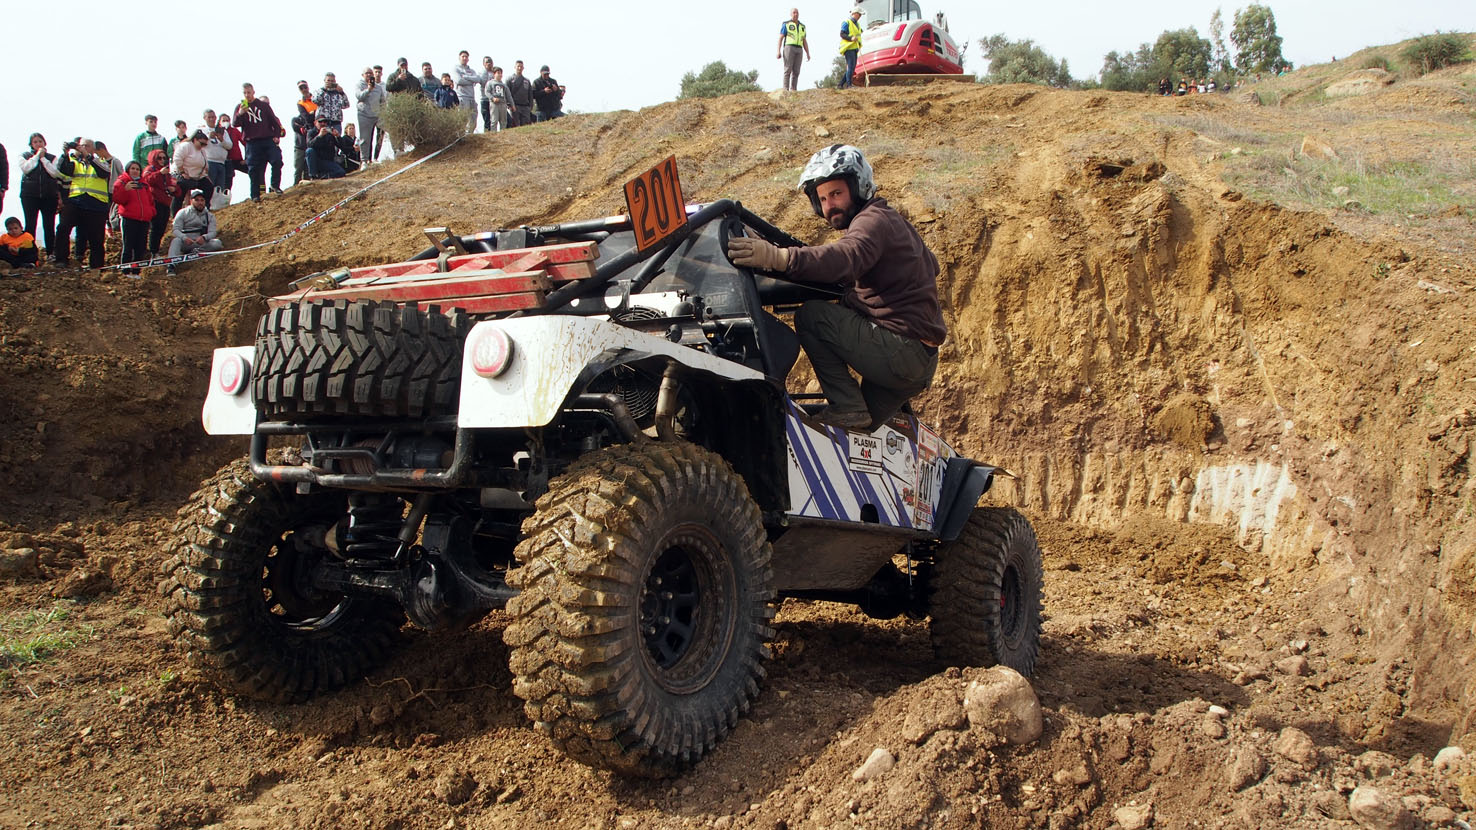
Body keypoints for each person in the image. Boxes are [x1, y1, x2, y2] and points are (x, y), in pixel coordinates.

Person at [725, 144, 945, 430]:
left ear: (858, 187)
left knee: (812, 317)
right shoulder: (890, 220)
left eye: (837, 194)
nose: (830, 205)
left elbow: (845, 257)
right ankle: (851, 413)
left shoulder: (872, 221)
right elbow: (931, 265)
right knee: (855, 432)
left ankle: (846, 405)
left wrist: (777, 257)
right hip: (920, 363)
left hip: (901, 351)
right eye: (823, 199)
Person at [54, 138, 111, 270]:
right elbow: (63, 170)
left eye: (87, 146)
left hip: (96, 203)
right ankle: (61, 259)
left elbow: (104, 173)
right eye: (81, 146)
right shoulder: (74, 161)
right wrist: (65, 153)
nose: (82, 148)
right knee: (63, 227)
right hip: (76, 200)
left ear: (93, 149)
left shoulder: (101, 161)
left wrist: (88, 156)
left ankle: (96, 265)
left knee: (96, 237)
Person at [235, 82, 285, 202]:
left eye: (249, 92)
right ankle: (255, 195)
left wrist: (276, 136)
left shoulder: (263, 105)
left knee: (277, 160)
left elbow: (275, 122)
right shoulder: (240, 107)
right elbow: (235, 123)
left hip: (267, 139)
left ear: (253, 92)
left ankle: (275, 185)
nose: (247, 95)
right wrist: (240, 113)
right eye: (245, 93)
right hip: (252, 142)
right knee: (253, 169)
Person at [18, 133, 64, 260]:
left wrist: (43, 159)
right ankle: (30, 254)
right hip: (29, 196)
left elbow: (54, 173)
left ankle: (51, 253)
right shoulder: (24, 156)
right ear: (31, 144)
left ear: (45, 143)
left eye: (40, 141)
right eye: (35, 142)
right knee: (30, 224)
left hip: (49, 196)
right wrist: (37, 156)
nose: (38, 144)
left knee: (49, 225)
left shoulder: (52, 158)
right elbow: (27, 168)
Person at [166, 189, 223, 275]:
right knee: (176, 241)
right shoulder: (183, 212)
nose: (200, 202)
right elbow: (175, 229)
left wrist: (204, 237)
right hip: (185, 242)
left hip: (199, 243)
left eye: (202, 200)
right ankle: (171, 265)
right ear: (191, 201)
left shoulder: (210, 216)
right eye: (196, 200)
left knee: (217, 243)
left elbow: (213, 232)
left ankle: (195, 252)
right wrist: (184, 238)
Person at [112, 160, 155, 275]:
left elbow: (150, 201)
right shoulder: (121, 181)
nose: (135, 171)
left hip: (143, 219)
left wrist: (151, 212)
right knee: (128, 245)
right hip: (128, 218)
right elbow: (117, 199)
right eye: (133, 168)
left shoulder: (144, 184)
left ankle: (136, 272)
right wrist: (125, 189)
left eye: (137, 169)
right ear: (128, 170)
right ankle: (125, 271)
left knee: (140, 247)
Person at [141, 148, 177, 257]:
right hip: (154, 201)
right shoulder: (150, 169)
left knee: (162, 227)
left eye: (164, 158)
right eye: (159, 158)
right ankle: (153, 251)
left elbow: (173, 184)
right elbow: (146, 180)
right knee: (155, 227)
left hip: (166, 202)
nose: (162, 160)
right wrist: (159, 173)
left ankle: (155, 250)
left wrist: (174, 189)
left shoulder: (166, 172)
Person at [171, 130, 213, 215]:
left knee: (209, 187)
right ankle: (175, 214)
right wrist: (182, 172)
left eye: (205, 145)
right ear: (195, 140)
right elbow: (177, 158)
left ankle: (203, 208)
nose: (202, 146)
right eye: (201, 144)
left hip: (197, 176)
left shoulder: (202, 151)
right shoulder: (185, 146)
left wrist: (206, 175)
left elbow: (205, 164)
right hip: (181, 173)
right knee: (181, 189)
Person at [354, 66, 385, 164]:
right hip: (364, 114)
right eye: (367, 73)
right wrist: (368, 89)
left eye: (370, 73)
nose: (369, 75)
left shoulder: (379, 87)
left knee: (384, 134)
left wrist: (383, 112)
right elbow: (359, 96)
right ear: (363, 75)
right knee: (365, 139)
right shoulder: (359, 85)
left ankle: (397, 151)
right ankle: (364, 161)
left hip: (377, 115)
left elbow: (382, 101)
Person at [199, 110, 232, 200]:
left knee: (219, 189)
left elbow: (229, 146)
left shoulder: (223, 131)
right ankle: (207, 206)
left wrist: (222, 140)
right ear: (204, 118)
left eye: (213, 117)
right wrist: (208, 137)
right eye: (209, 117)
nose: (211, 119)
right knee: (209, 187)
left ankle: (218, 207)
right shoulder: (201, 130)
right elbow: (198, 144)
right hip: (209, 161)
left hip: (221, 162)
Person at [291, 80, 319, 185]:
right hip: (300, 144)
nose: (304, 89)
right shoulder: (299, 107)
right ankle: (295, 186)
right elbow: (307, 118)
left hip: (314, 133)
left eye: (305, 87)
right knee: (298, 168)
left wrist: (313, 114)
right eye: (301, 88)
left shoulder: (315, 98)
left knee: (308, 166)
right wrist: (313, 114)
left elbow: (320, 113)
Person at [777, 8, 811, 92]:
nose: (795, 14)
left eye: (797, 13)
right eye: (794, 12)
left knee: (796, 71)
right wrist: (778, 51)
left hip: (799, 49)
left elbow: (804, 40)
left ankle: (793, 89)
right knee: (787, 69)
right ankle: (785, 89)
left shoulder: (802, 26)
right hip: (789, 47)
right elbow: (780, 38)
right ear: (791, 14)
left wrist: (808, 53)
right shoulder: (786, 24)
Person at [452, 50, 483, 133]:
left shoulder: (471, 70)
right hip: (462, 97)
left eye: (466, 57)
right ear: (459, 58)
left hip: (472, 97)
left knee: (473, 118)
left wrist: (466, 77)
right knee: (463, 119)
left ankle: (470, 136)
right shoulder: (456, 68)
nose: (465, 58)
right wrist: (471, 81)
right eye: (463, 56)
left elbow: (478, 79)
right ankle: (461, 136)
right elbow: (459, 81)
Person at [838, 8, 862, 89]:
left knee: (852, 67)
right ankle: (849, 85)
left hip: (855, 48)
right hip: (848, 47)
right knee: (850, 66)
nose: (860, 16)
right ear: (855, 13)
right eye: (859, 14)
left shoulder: (857, 24)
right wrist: (851, 38)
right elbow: (842, 34)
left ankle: (840, 84)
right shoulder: (846, 22)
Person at [507, 60, 534, 127]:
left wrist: (530, 106)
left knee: (526, 126)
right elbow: (507, 93)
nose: (519, 68)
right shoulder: (509, 79)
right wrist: (509, 105)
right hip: (514, 106)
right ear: (515, 67)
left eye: (521, 66)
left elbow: (530, 94)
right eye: (518, 66)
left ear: (523, 68)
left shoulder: (527, 81)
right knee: (515, 125)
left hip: (525, 107)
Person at [484, 67, 511, 132]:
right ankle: (494, 134)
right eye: (498, 73)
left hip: (503, 103)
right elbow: (487, 92)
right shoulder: (490, 83)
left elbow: (508, 96)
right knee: (494, 120)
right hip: (494, 104)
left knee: (503, 121)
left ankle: (502, 134)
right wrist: (493, 98)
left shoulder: (504, 85)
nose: (500, 75)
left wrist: (512, 105)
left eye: (501, 73)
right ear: (494, 74)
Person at [478, 55, 497, 130]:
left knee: (495, 120)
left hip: (495, 100)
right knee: (487, 121)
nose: (489, 63)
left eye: (490, 62)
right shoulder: (481, 73)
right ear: (484, 64)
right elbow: (483, 82)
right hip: (485, 99)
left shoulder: (495, 73)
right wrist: (486, 70)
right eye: (487, 62)